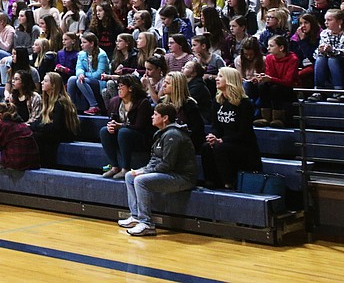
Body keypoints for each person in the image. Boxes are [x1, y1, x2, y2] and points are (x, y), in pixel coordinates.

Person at [119, 102, 198, 237]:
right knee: (130, 176)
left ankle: (147, 223)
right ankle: (136, 216)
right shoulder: (160, 134)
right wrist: (143, 169)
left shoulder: (173, 135)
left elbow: (167, 164)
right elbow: (155, 160)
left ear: (165, 118)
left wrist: (144, 172)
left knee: (140, 180)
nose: (152, 117)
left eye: (155, 114)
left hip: (182, 177)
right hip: (169, 174)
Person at [202, 67, 262, 190]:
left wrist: (222, 140)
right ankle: (211, 182)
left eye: (220, 76)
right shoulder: (217, 101)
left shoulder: (244, 103)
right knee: (206, 147)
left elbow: (244, 132)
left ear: (230, 80)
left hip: (243, 145)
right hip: (224, 142)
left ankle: (229, 182)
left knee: (220, 147)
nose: (217, 79)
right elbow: (216, 127)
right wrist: (213, 136)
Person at [99, 74, 155, 179]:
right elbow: (112, 119)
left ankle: (125, 168)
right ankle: (114, 166)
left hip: (140, 137)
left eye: (121, 86)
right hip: (122, 135)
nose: (118, 88)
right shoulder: (114, 101)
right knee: (104, 131)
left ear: (131, 88)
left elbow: (140, 126)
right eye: (118, 86)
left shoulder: (143, 103)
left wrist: (120, 126)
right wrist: (111, 125)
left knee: (124, 132)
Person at [31, 71, 79, 167]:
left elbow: (57, 126)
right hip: (53, 131)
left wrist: (36, 127)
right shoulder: (47, 100)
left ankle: (44, 165)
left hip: (65, 133)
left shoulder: (61, 102)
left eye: (45, 81)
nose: (42, 83)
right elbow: (41, 120)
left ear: (53, 85)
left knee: (38, 136)